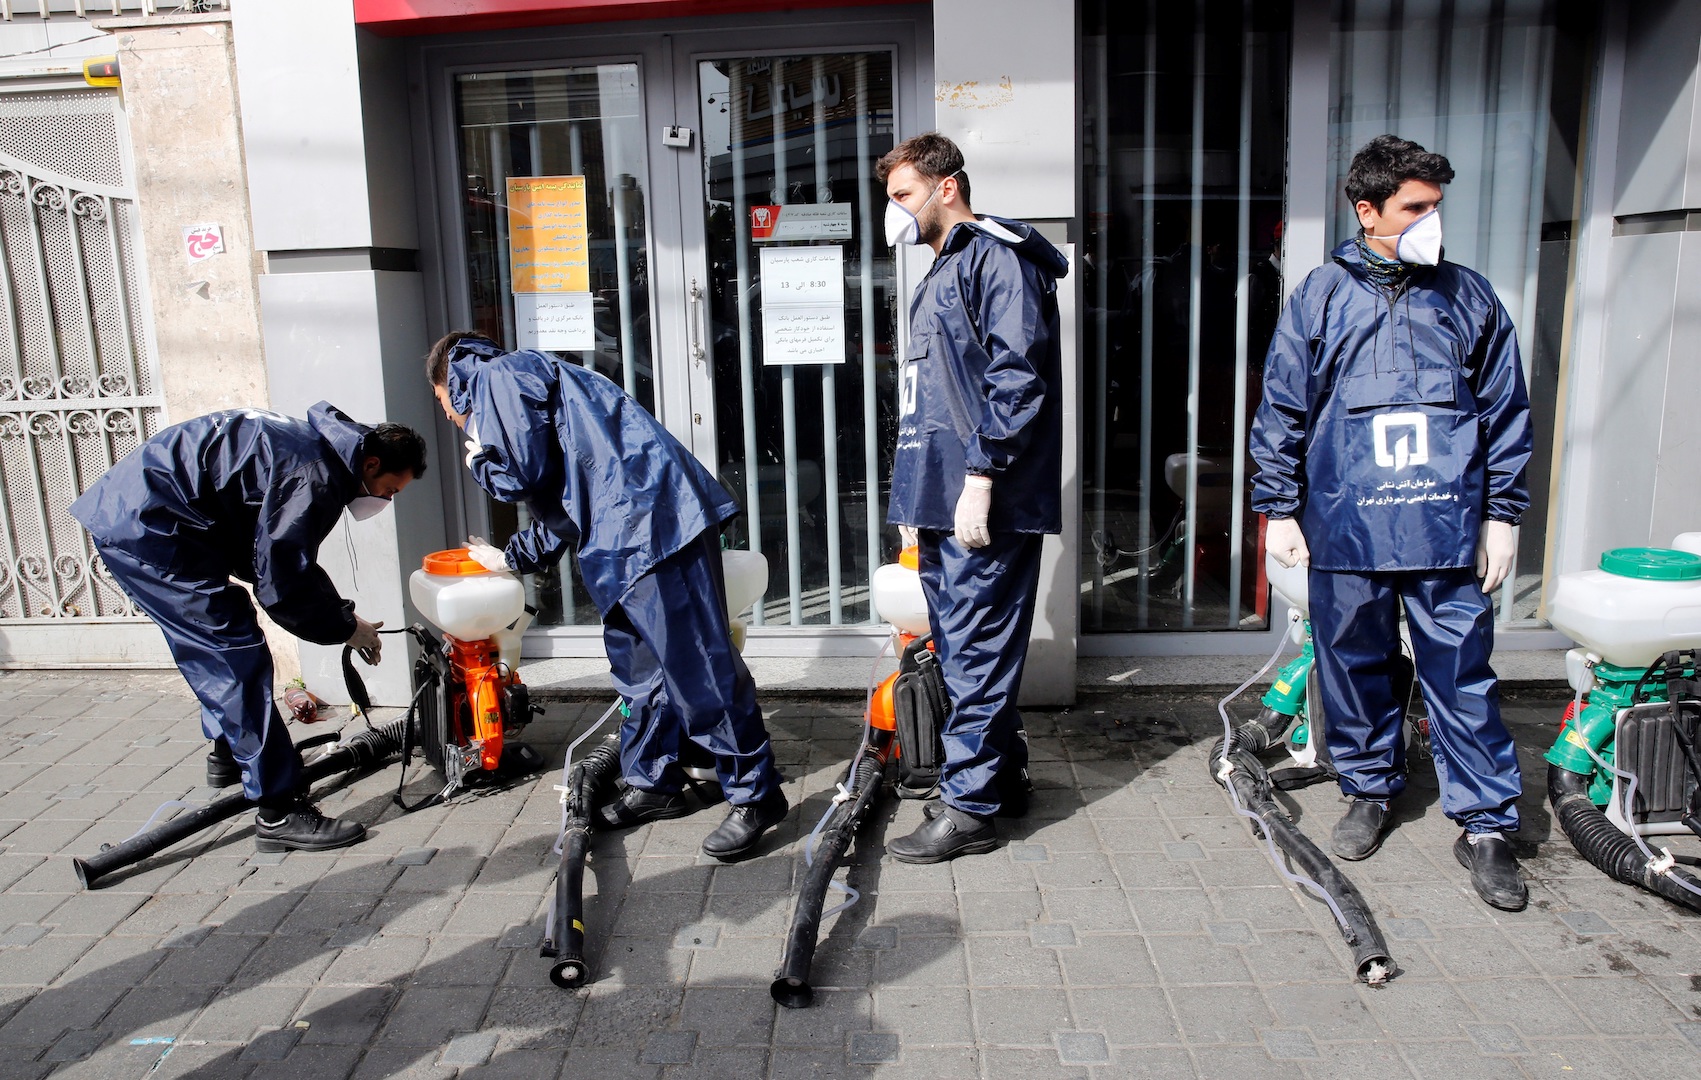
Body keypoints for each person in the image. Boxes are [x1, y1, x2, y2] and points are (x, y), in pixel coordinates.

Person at [1250, 134, 1534, 910]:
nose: (1429, 222)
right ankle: (1369, 787)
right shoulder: (1320, 295)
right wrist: (1276, 505)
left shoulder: (1466, 296)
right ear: (1366, 209)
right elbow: (1284, 402)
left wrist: (1501, 514)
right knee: (1355, 664)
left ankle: (1483, 824)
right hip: (1346, 521)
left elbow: (1504, 409)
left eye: (1435, 208)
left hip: (1445, 525)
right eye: (1413, 208)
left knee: (1461, 676)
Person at [426, 332, 789, 860]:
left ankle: (757, 795)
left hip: (653, 529)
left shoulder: (493, 378)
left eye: (443, 406)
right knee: (639, 674)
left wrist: (482, 461)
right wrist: (513, 556)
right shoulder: (524, 380)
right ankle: (654, 783)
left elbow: (523, 474)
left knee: (698, 670)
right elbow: (563, 492)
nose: (450, 418)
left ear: (448, 381)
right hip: (623, 536)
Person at [70, 403, 427, 852]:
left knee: (224, 639)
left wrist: (337, 615)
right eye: (390, 488)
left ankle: (228, 755)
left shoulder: (318, 450)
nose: (387, 500)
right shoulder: (315, 476)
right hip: (150, 530)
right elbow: (283, 581)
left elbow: (267, 556)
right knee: (234, 654)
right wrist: (344, 626)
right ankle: (279, 812)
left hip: (155, 516)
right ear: (371, 463)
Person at [878, 132, 1068, 864]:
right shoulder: (944, 268)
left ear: (944, 186)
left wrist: (983, 478)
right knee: (963, 651)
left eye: (901, 195)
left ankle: (968, 812)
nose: (895, 212)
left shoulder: (996, 261)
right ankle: (1001, 777)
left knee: (977, 655)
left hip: (981, 500)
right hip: (941, 497)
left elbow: (1017, 378)